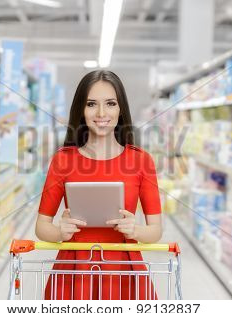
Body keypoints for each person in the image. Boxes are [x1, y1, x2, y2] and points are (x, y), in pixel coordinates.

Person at [35, 70, 162, 300]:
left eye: (110, 103)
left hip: (123, 270)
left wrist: (136, 230)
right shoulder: (63, 160)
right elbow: (41, 226)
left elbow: (155, 231)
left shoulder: (142, 161)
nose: (102, 113)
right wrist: (59, 232)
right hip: (74, 268)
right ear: (81, 111)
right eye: (92, 104)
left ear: (120, 108)